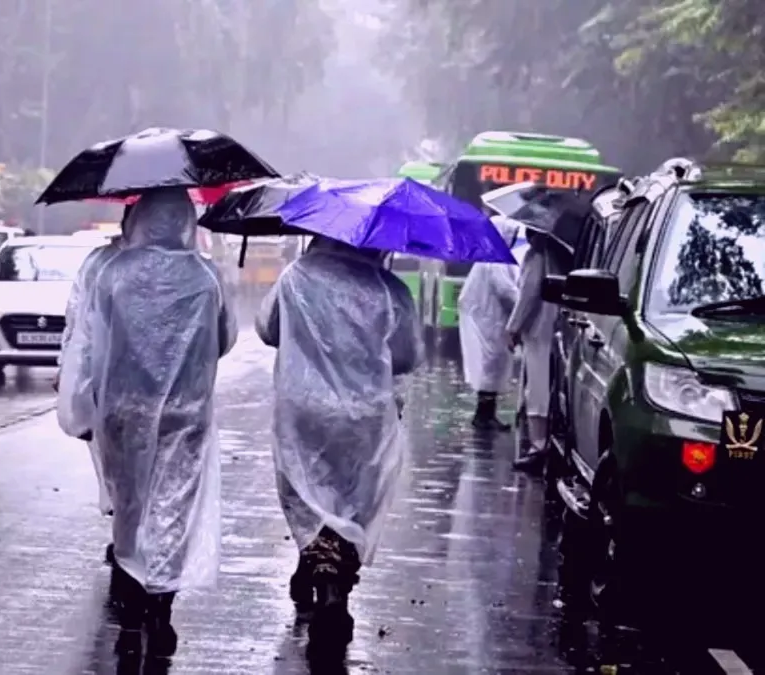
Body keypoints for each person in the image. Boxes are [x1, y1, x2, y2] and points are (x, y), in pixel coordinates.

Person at [70, 187, 235, 658]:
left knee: (131, 505)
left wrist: (85, 402)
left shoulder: (114, 273)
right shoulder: (205, 277)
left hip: (124, 409)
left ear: (139, 219)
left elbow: (92, 343)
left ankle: (131, 598)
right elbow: (224, 339)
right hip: (185, 413)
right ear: (185, 221)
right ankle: (161, 604)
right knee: (173, 505)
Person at [256, 236, 421, 655]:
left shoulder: (296, 277)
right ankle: (334, 593)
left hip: (304, 407)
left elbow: (268, 329)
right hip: (365, 415)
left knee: (308, 493)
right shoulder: (389, 289)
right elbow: (407, 356)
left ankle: (316, 566)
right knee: (350, 503)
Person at [56, 209, 129, 566]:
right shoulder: (192, 268)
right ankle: (135, 543)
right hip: (169, 392)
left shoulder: (102, 263)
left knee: (113, 461)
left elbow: (77, 322)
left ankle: (125, 537)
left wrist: (68, 369)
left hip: (105, 383)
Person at [457, 216, 524, 431]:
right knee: (490, 366)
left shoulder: (494, 256)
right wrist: (523, 309)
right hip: (489, 321)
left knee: (491, 367)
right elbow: (506, 291)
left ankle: (486, 414)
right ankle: (484, 416)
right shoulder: (496, 260)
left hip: (490, 319)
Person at [506, 231, 563, 473]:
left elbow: (528, 296)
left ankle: (538, 447)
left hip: (539, 331)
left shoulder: (536, 257)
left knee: (537, 389)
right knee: (545, 387)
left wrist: (513, 328)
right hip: (554, 328)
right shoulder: (558, 255)